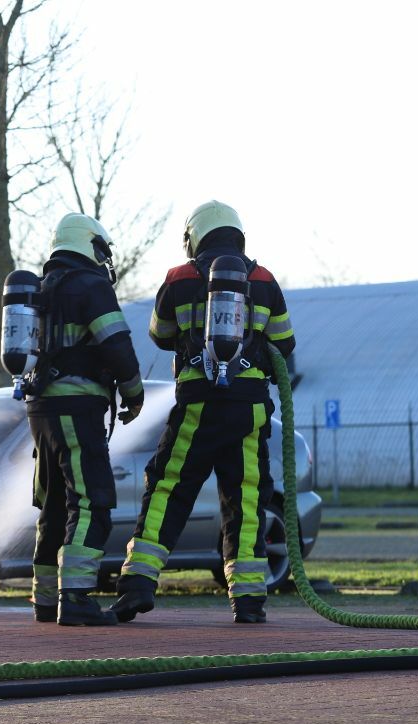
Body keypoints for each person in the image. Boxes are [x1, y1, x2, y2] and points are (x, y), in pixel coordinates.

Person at [110, 201, 295, 624]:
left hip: (197, 405)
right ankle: (248, 600)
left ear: (194, 236)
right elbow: (284, 343)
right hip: (248, 411)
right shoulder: (264, 280)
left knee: (168, 487)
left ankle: (137, 583)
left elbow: (159, 334)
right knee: (247, 498)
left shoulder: (179, 277)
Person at [26, 213, 144, 626]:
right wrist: (133, 392)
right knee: (92, 500)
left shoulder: (39, 290)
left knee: (53, 503)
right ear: (90, 245)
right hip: (77, 407)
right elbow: (116, 343)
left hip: (39, 411)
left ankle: (44, 600)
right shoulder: (90, 286)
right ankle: (74, 597)